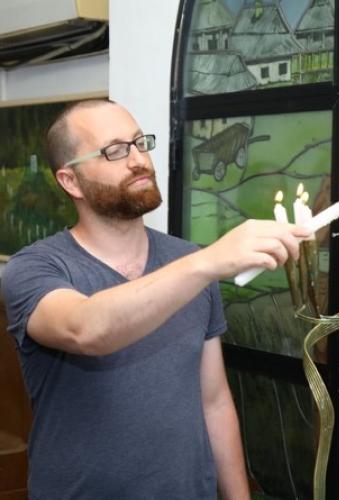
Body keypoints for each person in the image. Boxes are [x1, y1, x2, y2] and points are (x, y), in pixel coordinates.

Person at [1, 98, 310, 500]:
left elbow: (214, 401)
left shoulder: (188, 260)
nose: (137, 160)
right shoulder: (35, 269)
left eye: (139, 143)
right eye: (114, 151)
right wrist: (209, 261)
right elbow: (85, 329)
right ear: (70, 181)